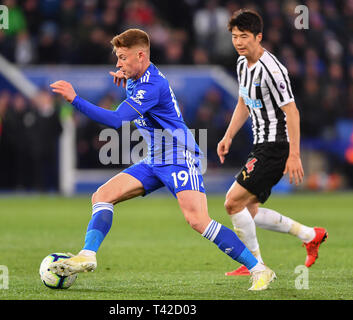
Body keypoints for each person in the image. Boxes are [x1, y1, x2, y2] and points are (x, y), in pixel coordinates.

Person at [50, 28, 276, 290]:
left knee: (198, 221)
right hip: (155, 159)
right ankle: (88, 255)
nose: (118, 64)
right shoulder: (136, 77)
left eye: (123, 58)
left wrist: (75, 99)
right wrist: (127, 81)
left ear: (141, 55)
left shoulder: (152, 85)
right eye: (118, 58)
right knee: (102, 195)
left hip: (179, 156)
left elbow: (116, 120)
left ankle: (260, 269)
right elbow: (139, 104)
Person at [217, 9, 328, 276]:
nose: (239, 42)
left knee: (232, 203)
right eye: (234, 37)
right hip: (261, 145)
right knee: (249, 211)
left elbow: (292, 111)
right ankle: (311, 235)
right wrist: (228, 135)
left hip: (277, 146)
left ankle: (256, 265)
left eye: (244, 36)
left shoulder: (273, 70)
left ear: (259, 37)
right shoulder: (242, 64)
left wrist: (294, 155)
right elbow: (244, 102)